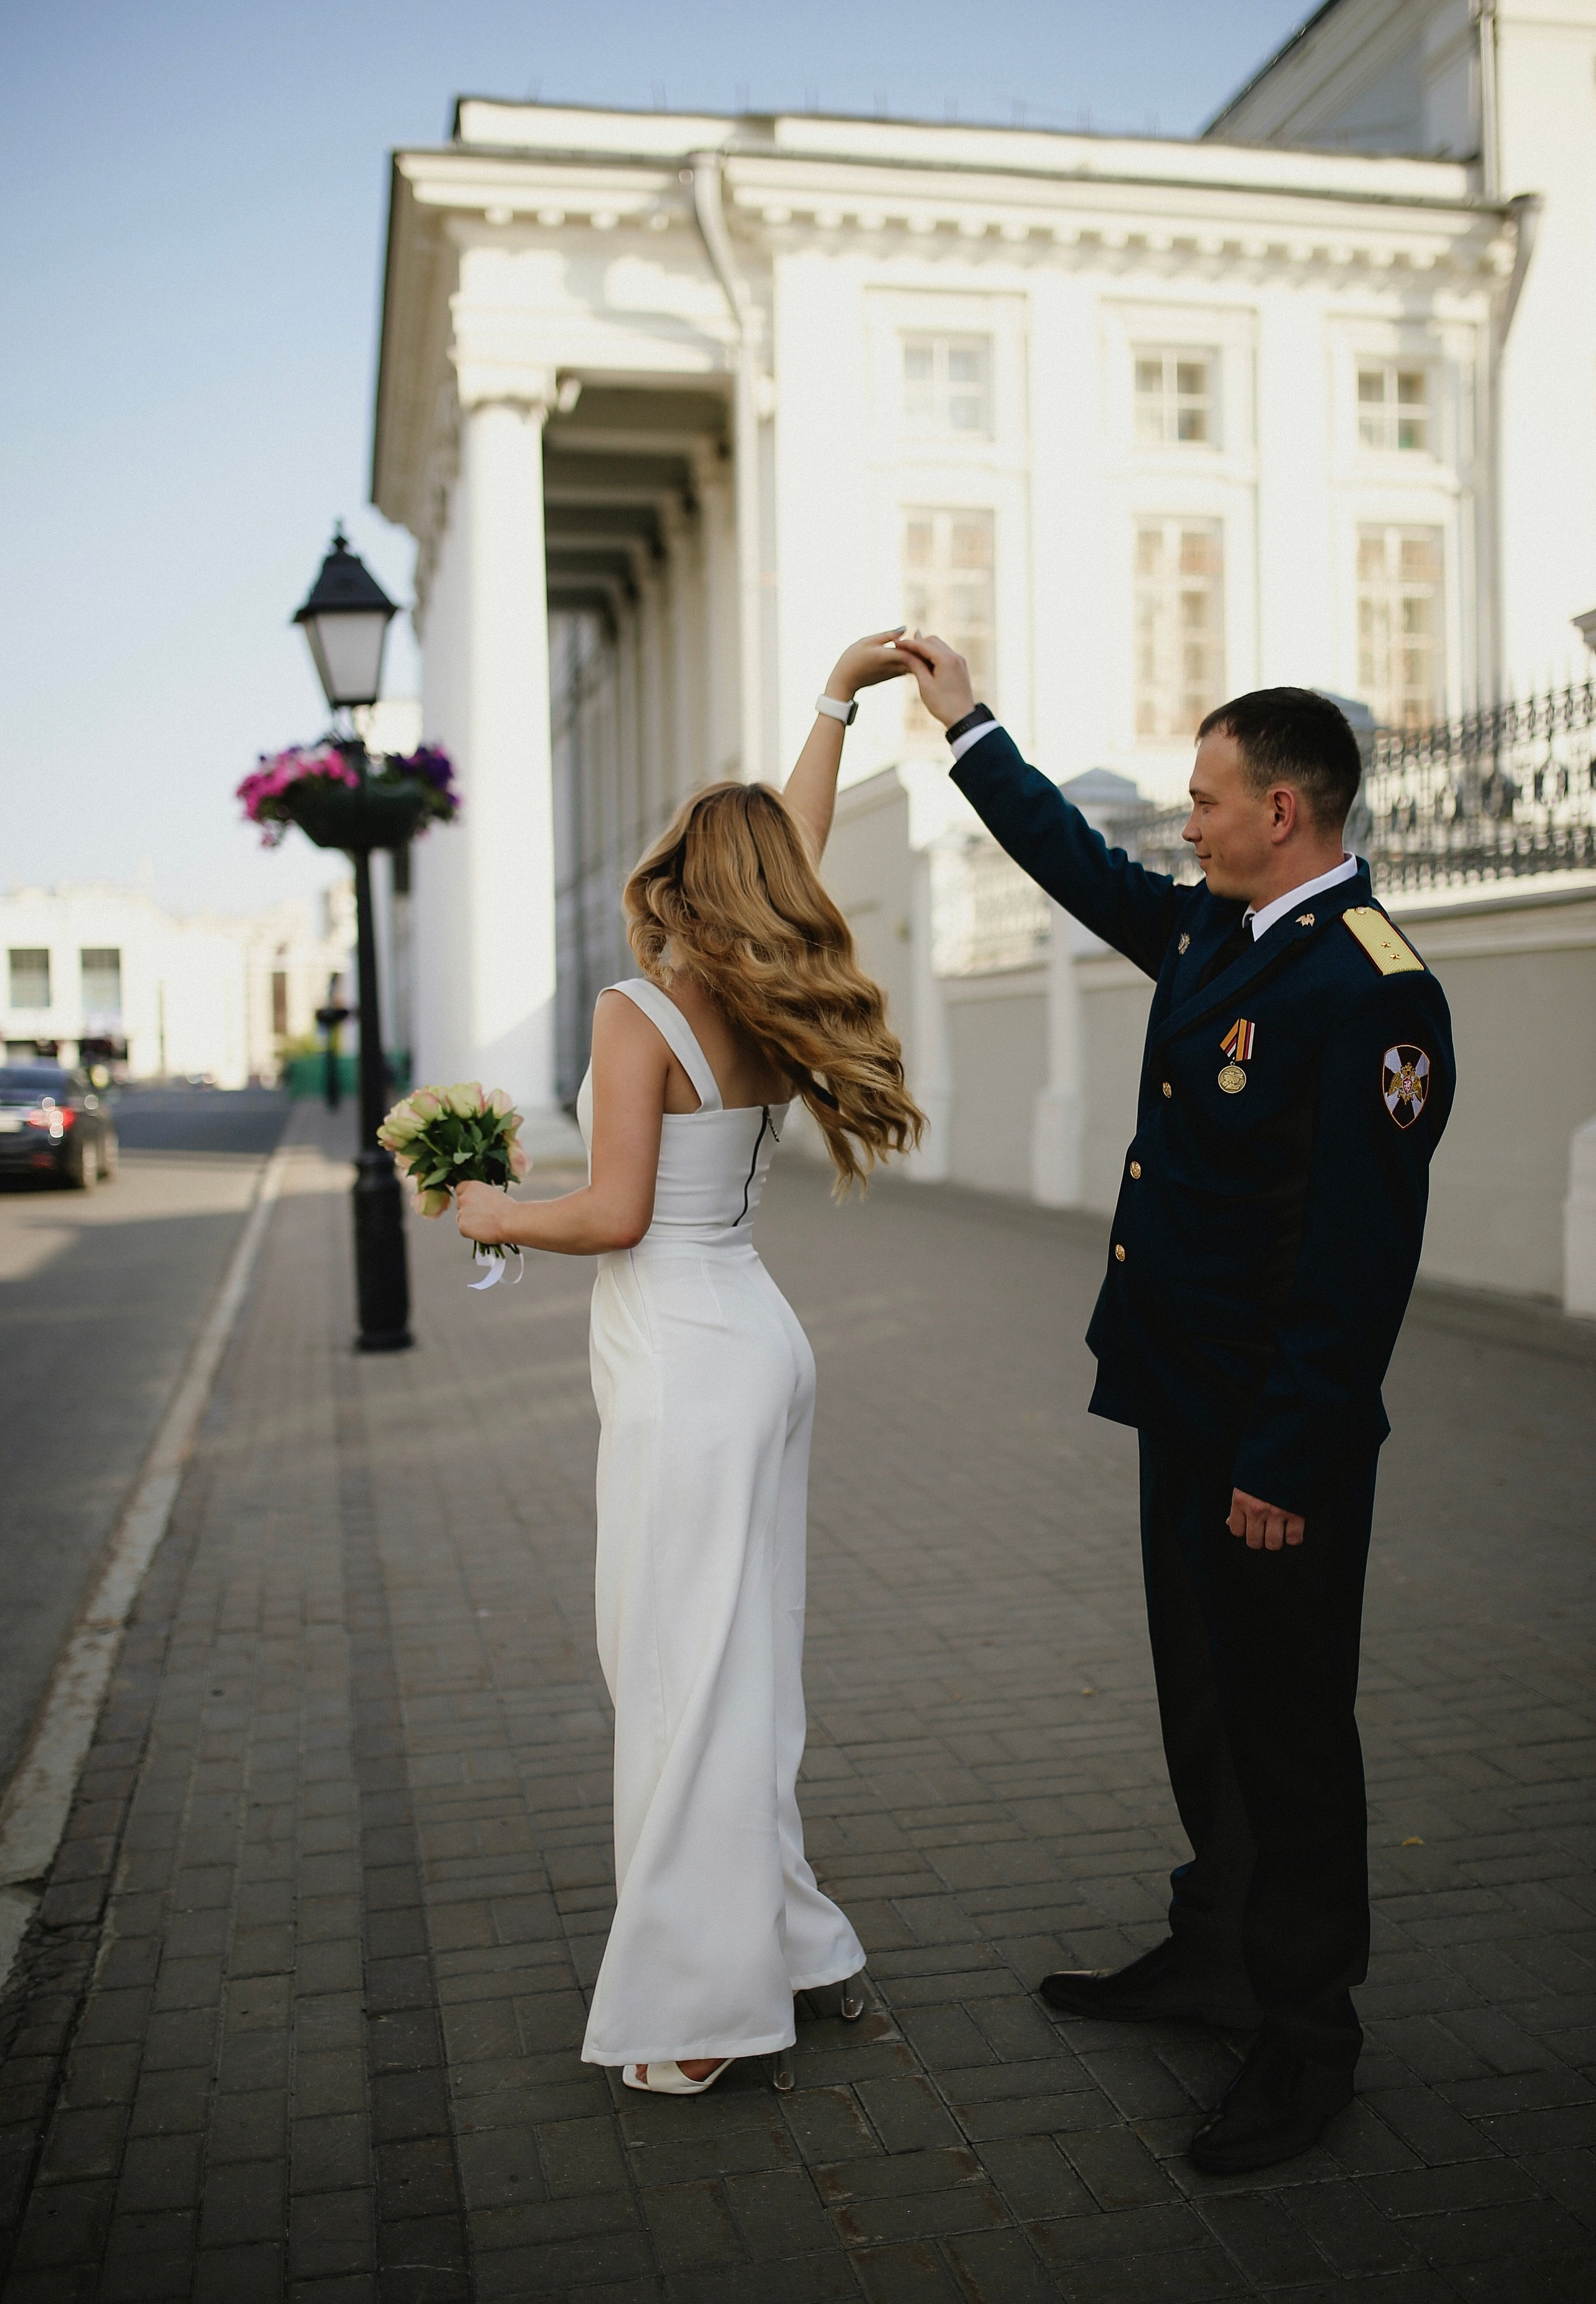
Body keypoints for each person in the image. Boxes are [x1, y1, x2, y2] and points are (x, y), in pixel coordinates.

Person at [898, 635, 1455, 2174]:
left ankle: (1303, 2039)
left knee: (1286, 1735)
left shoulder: (1368, 994)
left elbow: (1355, 1267)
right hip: (1180, 1404)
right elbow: (1081, 869)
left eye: (1205, 801)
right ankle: (1215, 1949)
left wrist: (1282, 1457)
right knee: (1202, 1704)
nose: (1184, 824)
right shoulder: (1218, 935)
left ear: (1284, 809)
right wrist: (970, 728)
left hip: (1276, 1443)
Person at [455, 632, 924, 2096]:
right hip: (758, 1345)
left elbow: (608, 1214)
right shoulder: (766, 1001)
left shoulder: (634, 1010)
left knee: (674, 1680)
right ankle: (790, 1941)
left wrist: (490, 1214)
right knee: (740, 1679)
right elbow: (797, 842)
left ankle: (695, 2012)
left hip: (684, 1362)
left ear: (672, 877)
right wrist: (832, 703)